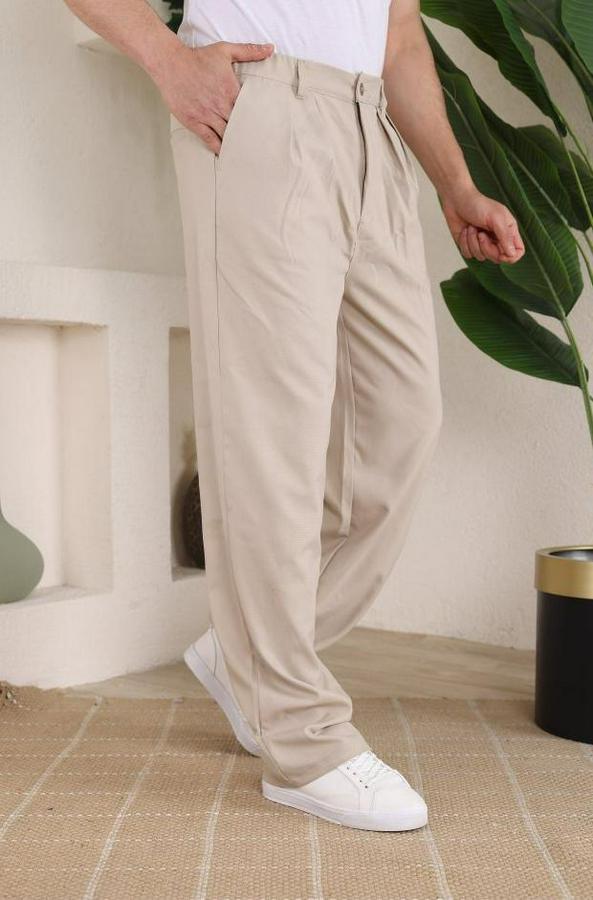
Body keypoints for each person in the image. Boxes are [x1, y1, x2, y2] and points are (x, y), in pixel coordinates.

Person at [64, 0, 524, 832]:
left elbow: (400, 33)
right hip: (259, 107)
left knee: (400, 424)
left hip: (370, 128)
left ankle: (248, 657)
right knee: (273, 439)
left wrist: (455, 185)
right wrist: (169, 61)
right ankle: (302, 744)